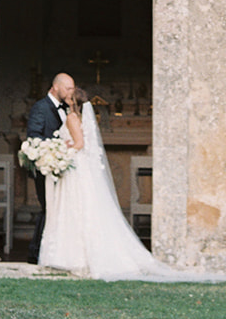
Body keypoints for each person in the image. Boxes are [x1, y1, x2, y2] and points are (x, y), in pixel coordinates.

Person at [38, 87, 199, 281]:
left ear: (73, 101)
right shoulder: (77, 118)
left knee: (74, 209)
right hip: (80, 168)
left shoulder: (72, 118)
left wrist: (61, 151)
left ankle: (74, 258)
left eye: (69, 96)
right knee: (80, 209)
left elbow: (79, 143)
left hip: (75, 167)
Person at [24, 71, 75, 264]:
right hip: (46, 166)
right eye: (68, 88)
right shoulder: (41, 108)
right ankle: (35, 252)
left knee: (54, 210)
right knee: (47, 209)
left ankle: (48, 251)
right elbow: (34, 136)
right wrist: (58, 148)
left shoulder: (66, 109)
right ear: (56, 87)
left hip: (58, 167)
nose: (71, 91)